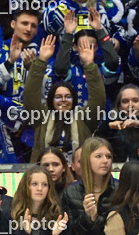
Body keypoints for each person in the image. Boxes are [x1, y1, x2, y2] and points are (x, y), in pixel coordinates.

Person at [25, 32, 105, 161]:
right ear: (51, 100)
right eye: (58, 97)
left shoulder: (85, 119)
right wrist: (42, 61)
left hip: (78, 176)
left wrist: (89, 64)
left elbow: (98, 98)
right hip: (45, 177)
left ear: (74, 101)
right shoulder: (41, 117)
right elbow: (30, 95)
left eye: (68, 97)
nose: (63, 100)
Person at [62, 137, 117, 235]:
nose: (105, 160)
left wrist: (94, 218)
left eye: (108, 156)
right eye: (98, 156)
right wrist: (87, 218)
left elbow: (119, 232)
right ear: (87, 159)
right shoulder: (71, 192)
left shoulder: (119, 189)